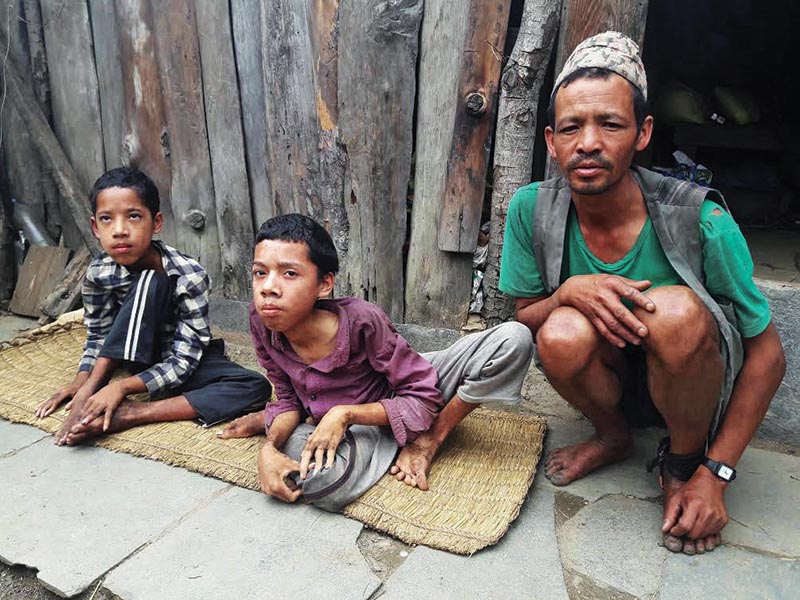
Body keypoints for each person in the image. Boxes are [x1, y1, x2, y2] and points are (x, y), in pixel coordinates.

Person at [499, 31, 785, 555]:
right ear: (551, 141)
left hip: (692, 384)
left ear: (643, 133)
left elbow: (768, 355)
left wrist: (715, 473)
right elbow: (524, 318)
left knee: (674, 312)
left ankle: (682, 465)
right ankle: (612, 436)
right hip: (609, 379)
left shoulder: (699, 217)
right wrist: (568, 292)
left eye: (610, 124)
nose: (588, 143)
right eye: (572, 127)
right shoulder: (531, 208)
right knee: (558, 330)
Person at [220, 213, 532, 509]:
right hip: (363, 424)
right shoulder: (262, 319)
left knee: (513, 339)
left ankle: (427, 438)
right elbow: (288, 399)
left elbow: (422, 395)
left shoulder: (362, 320)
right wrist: (269, 449)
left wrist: (344, 414)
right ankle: (311, 427)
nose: (268, 288)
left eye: (289, 273)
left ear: (324, 284)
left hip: (400, 389)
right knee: (321, 481)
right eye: (260, 272)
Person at [35, 167, 270, 444]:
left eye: (134, 216)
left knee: (254, 386)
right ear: (95, 228)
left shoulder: (189, 275)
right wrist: (82, 381)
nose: (120, 231)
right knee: (149, 281)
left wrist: (122, 388)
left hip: (181, 357)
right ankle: (96, 388)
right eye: (107, 219)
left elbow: (184, 360)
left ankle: (135, 412)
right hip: (132, 354)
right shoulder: (99, 271)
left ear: (156, 222)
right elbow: (99, 334)